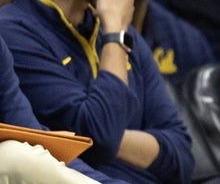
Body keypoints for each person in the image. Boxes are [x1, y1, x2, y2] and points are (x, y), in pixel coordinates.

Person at [0, 0, 193, 184]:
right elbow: (100, 135)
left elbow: (181, 157)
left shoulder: (117, 25)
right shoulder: (13, 33)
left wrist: (105, 138)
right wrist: (115, 38)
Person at [1, 34, 128, 183]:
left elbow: (36, 140)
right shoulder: (20, 32)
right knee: (14, 157)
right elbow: (102, 134)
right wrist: (114, 37)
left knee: (23, 155)